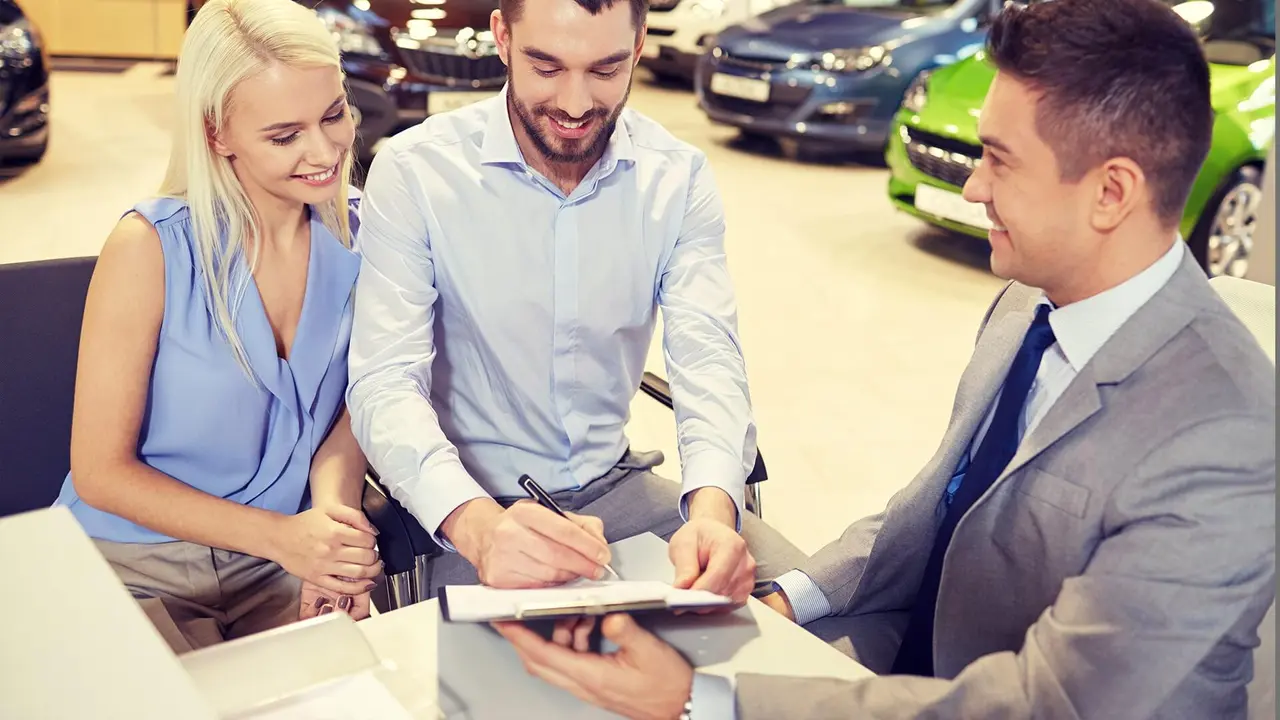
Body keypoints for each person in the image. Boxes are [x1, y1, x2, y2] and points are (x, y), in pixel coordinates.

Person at [492, 0, 1278, 716]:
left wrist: (705, 700)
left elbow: (1052, 703)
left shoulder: (1225, 431)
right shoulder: (1027, 304)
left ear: (1111, 193)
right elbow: (936, 506)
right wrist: (786, 600)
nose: (972, 187)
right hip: (919, 657)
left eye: (999, 161)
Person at [347, 0, 807, 602]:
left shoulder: (678, 177)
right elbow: (383, 383)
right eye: (546, 67)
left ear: (639, 46)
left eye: (606, 70)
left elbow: (708, 358)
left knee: (822, 616)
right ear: (502, 38)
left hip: (619, 486)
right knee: (528, 690)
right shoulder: (416, 173)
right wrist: (480, 529)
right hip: (473, 508)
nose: (574, 103)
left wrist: (714, 514)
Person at [54, 0, 382, 653]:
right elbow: (100, 472)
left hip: (281, 561)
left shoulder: (370, 231)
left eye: (333, 114)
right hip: (132, 567)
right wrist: (282, 538)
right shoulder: (150, 248)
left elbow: (355, 408)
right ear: (216, 135)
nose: (323, 151)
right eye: (284, 135)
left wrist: (332, 528)